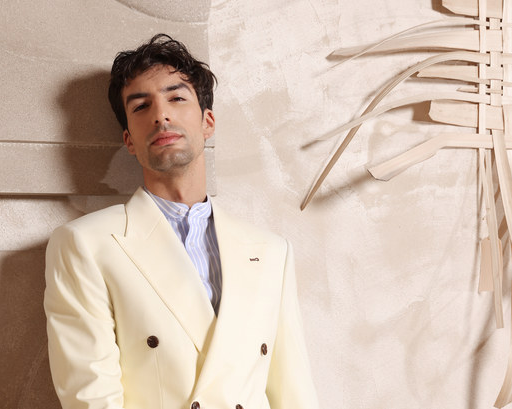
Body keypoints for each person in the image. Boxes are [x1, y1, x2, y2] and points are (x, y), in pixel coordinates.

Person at [44, 33, 318, 409]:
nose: (161, 115)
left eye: (176, 98)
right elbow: (90, 398)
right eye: (141, 106)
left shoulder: (271, 251)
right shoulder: (85, 244)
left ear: (208, 122)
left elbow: (295, 391)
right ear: (129, 140)